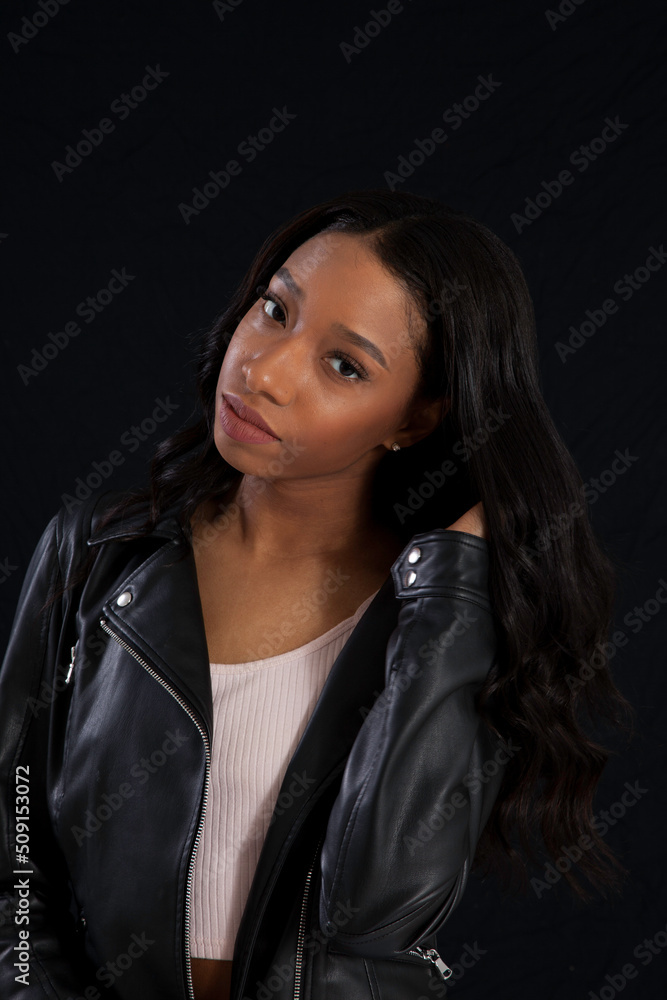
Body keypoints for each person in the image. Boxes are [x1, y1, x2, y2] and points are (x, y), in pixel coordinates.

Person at [0, 189, 632, 1000]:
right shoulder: (95, 555)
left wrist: (450, 601)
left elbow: (373, 928)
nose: (263, 370)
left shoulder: (439, 617)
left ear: (415, 418)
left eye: (344, 365)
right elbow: (13, 853)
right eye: (274, 310)